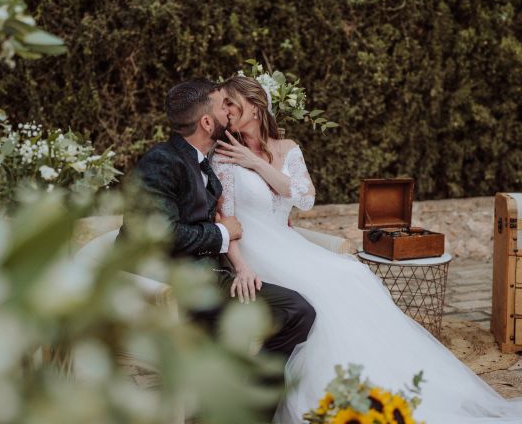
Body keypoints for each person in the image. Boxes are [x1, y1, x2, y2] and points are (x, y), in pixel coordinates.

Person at [211, 75, 522, 424]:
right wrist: (239, 265)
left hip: (289, 244)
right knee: (325, 294)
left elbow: (306, 198)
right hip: (257, 251)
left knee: (354, 274)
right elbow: (226, 218)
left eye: (230, 104)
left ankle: (376, 387)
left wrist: (256, 163)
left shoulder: (287, 148)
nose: (224, 111)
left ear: (254, 107)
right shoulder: (225, 154)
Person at [115, 78, 316, 421]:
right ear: (207, 121)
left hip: (210, 272)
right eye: (224, 105)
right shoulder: (161, 161)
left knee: (297, 310)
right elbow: (163, 235)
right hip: (173, 284)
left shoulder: (201, 160)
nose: (229, 111)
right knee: (273, 319)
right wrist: (223, 233)